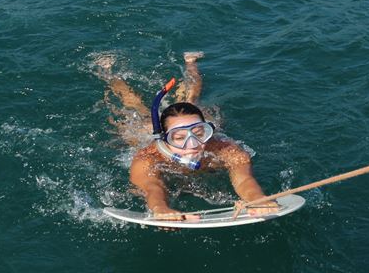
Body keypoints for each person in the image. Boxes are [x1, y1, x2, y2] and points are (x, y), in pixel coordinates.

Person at [101, 51, 279, 221]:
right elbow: (151, 187)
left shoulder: (225, 150)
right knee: (134, 106)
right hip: (145, 129)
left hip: (191, 121)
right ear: (164, 139)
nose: (192, 144)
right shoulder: (147, 158)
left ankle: (191, 63)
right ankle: (109, 72)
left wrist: (258, 198)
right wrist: (160, 208)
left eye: (199, 133)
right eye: (179, 138)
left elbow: (244, 179)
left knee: (191, 101)